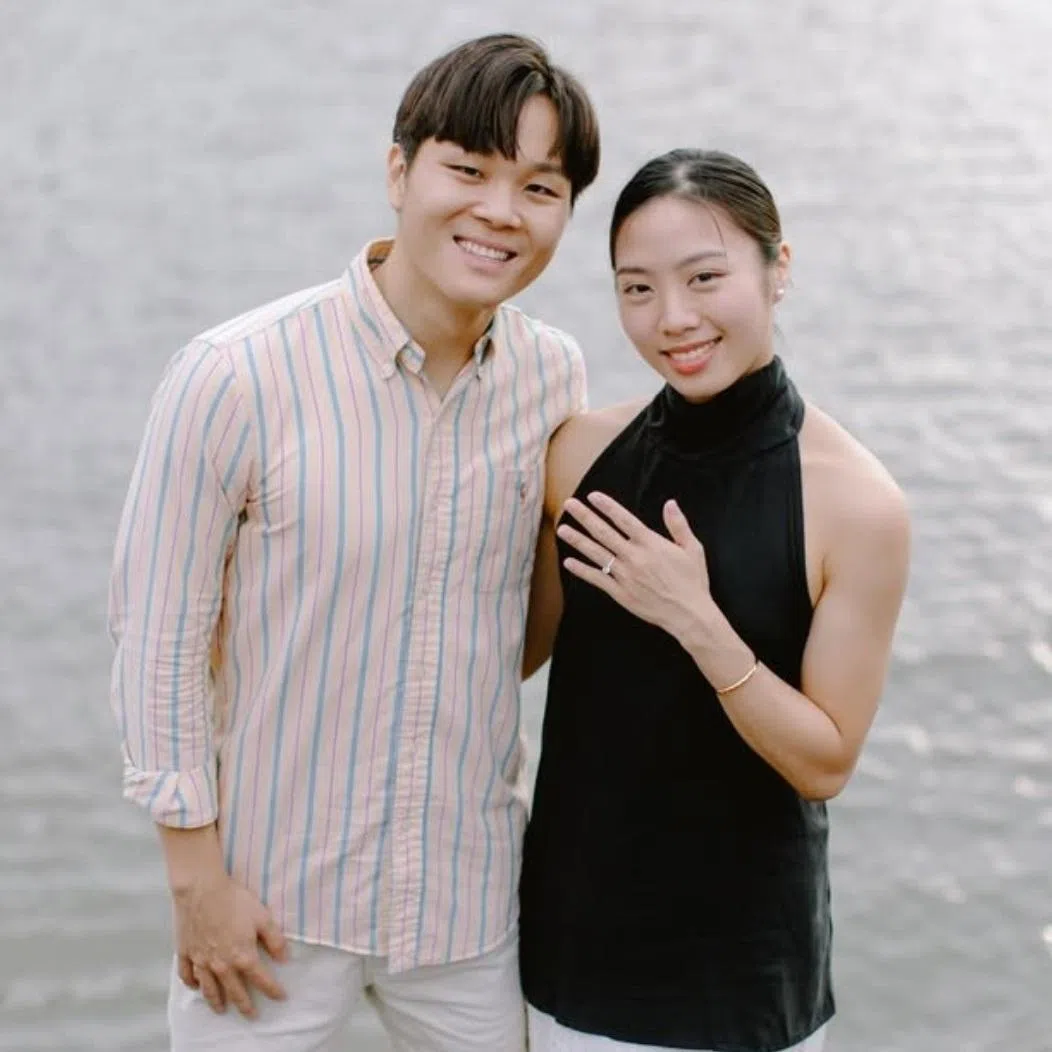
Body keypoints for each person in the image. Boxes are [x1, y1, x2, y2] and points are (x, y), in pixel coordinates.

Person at [107, 33, 600, 1051]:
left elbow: (513, 625)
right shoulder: (235, 373)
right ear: (398, 170)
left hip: (465, 910)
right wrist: (195, 881)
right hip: (269, 907)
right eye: (466, 169)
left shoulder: (552, 378)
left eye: (537, 186)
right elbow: (158, 636)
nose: (498, 211)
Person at [519, 148, 911, 1051]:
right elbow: (514, 653)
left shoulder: (856, 504)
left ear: (778, 270)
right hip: (568, 958)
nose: (674, 319)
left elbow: (825, 764)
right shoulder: (576, 454)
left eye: (705, 278)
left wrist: (695, 619)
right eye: (637, 289)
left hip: (740, 985)